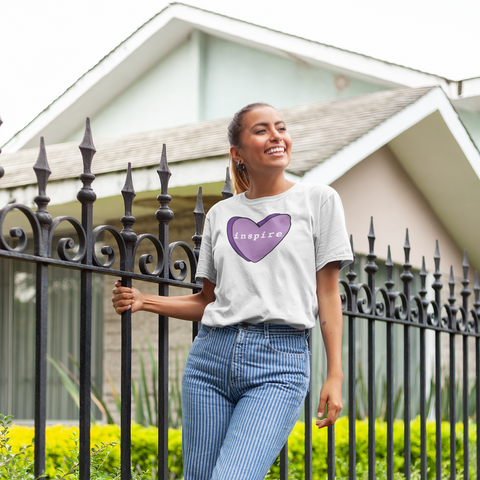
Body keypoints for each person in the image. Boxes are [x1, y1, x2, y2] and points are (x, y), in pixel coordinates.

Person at [111, 103, 353, 480]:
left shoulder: (319, 200)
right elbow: (208, 301)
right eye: (261, 130)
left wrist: (335, 373)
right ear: (237, 153)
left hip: (279, 363)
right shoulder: (220, 215)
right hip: (210, 358)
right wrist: (145, 301)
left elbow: (328, 294)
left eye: (281, 127)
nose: (276, 135)